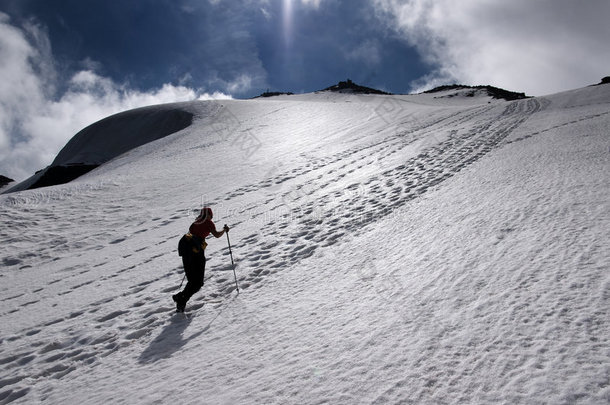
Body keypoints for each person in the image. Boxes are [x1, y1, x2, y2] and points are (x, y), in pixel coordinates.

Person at [173, 207, 229, 312]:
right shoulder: (208, 222)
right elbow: (216, 235)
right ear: (209, 215)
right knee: (198, 283)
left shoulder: (195, 223)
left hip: (186, 251)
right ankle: (180, 298)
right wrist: (224, 230)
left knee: (192, 281)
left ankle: (181, 299)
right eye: (210, 216)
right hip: (196, 252)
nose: (210, 218)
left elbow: (192, 235)